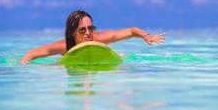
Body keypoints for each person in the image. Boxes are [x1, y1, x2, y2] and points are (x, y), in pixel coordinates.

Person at [20, 10, 165, 64]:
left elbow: (131, 30)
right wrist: (22, 69)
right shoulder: (64, 46)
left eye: (91, 28)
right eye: (82, 30)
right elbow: (30, 54)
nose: (88, 33)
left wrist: (147, 36)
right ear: (72, 32)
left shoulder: (99, 39)